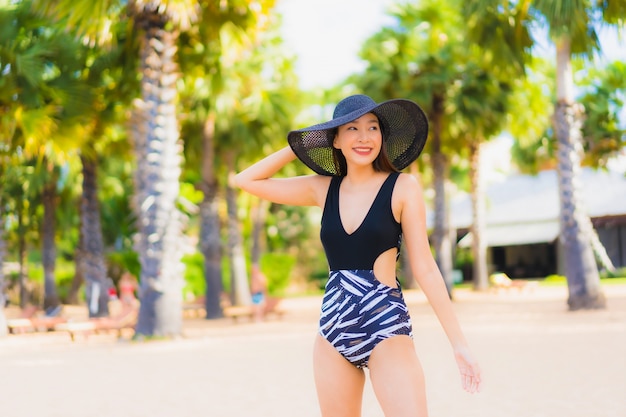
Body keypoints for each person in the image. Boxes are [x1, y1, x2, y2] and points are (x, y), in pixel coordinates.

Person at [233, 94, 481, 416]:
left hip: (385, 325)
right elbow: (246, 180)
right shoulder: (321, 189)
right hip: (333, 329)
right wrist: (300, 145)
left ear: (382, 136)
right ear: (335, 139)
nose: (364, 137)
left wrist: (458, 344)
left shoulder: (403, 187)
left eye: (373, 128)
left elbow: (425, 267)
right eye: (352, 129)